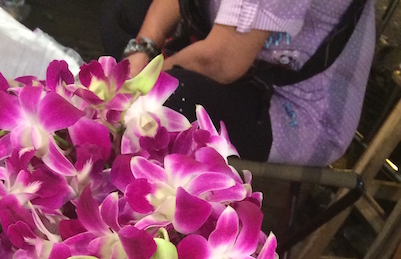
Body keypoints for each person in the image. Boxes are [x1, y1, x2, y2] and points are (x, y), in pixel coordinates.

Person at [101, 0, 376, 164]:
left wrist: (135, 86)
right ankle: (115, 127)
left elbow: (221, 61)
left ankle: (119, 168)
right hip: (230, 45)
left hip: (288, 103)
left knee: (166, 102)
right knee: (124, 17)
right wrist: (143, 49)